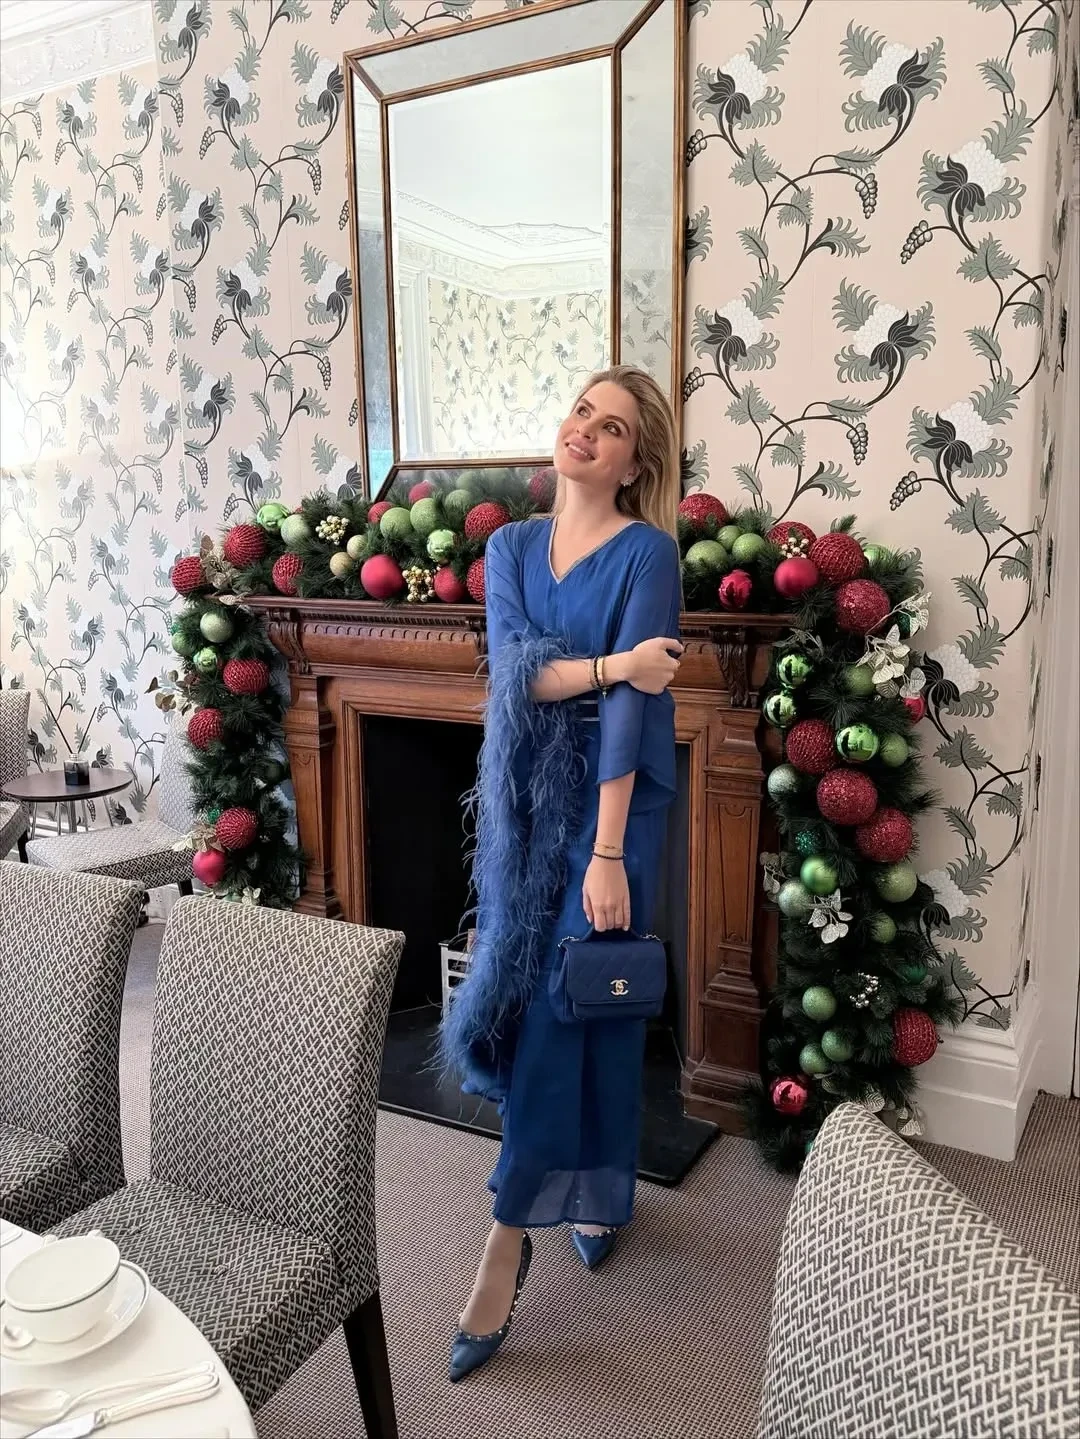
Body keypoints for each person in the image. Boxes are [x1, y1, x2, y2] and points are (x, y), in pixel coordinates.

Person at [442, 365, 684, 1381]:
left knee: (577, 1002)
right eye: (583, 410)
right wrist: (615, 663)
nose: (586, 428)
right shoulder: (508, 546)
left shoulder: (648, 553)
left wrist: (609, 851)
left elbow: (632, 712)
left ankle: (504, 1243)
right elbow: (518, 674)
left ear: (635, 463)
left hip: (610, 804)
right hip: (524, 800)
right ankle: (590, 1190)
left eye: (612, 425)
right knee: (538, 997)